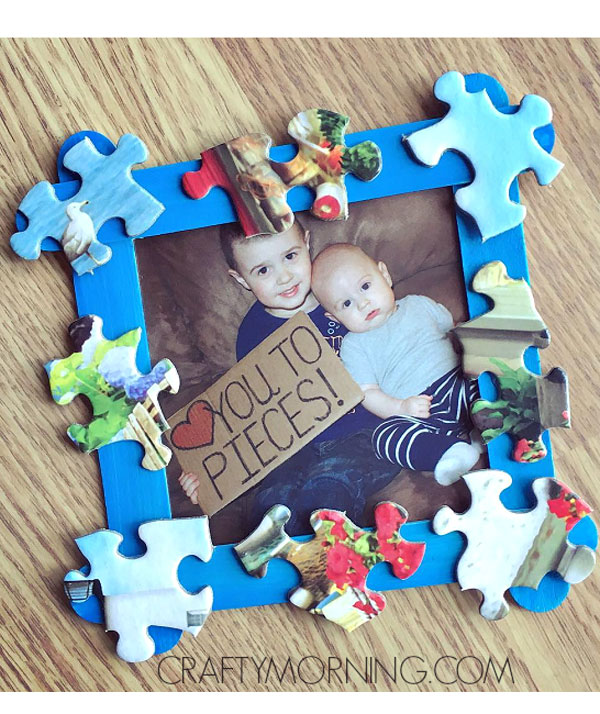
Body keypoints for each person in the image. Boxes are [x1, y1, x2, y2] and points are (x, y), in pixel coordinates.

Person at [180, 221, 400, 535]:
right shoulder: (252, 334)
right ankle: (271, 566)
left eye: (290, 257)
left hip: (366, 434)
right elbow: (249, 418)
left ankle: (333, 563)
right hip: (297, 446)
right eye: (263, 271)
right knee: (273, 497)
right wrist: (206, 472)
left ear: (306, 244)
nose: (284, 277)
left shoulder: (345, 299)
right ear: (241, 280)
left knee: (327, 485)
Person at [311, 243, 481, 486]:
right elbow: (367, 392)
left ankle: (483, 427)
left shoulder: (419, 304)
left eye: (365, 286)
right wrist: (400, 408)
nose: (362, 303)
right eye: (346, 304)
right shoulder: (354, 346)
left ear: (385, 274)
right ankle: (450, 453)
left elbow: (454, 333)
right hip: (419, 412)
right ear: (334, 318)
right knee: (383, 437)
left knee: (482, 378)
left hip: (456, 383)